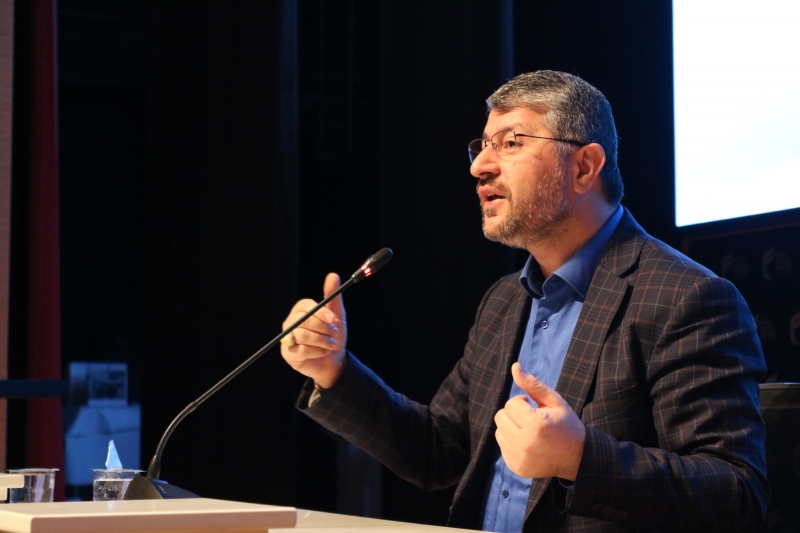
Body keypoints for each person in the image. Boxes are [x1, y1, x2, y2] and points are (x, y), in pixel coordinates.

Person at [279, 71, 769, 532]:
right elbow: (437, 450)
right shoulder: (504, 300)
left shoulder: (685, 297)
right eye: (482, 147)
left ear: (584, 167)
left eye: (511, 143)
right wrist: (332, 370)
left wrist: (580, 459)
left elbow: (738, 494)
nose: (479, 167)